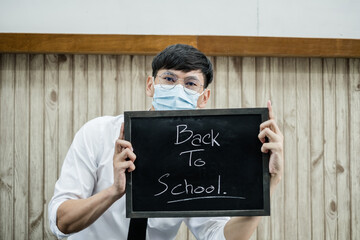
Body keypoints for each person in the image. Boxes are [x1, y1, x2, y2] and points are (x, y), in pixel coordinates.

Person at [48, 44, 284, 240]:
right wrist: (114, 191)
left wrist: (268, 184)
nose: (178, 89)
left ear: (204, 98)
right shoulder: (96, 133)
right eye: (169, 79)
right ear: (151, 85)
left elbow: (219, 236)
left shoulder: (201, 155)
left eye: (190, 83)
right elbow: (61, 222)